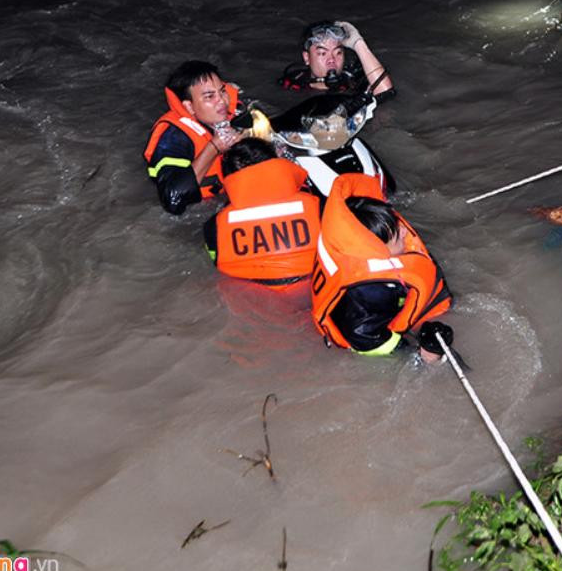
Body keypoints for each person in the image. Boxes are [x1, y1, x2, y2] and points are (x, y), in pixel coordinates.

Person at [310, 172, 453, 364]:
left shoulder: (342, 243)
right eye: (396, 236)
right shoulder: (374, 290)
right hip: (365, 337)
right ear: (377, 251)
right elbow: (364, 339)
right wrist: (414, 353)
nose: (404, 231)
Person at [203, 138, 322, 286]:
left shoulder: (213, 227)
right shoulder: (316, 205)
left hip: (251, 298)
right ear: (276, 164)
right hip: (313, 288)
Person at [143, 60, 246, 214]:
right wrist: (214, 148)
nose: (222, 101)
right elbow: (173, 200)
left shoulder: (233, 114)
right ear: (189, 107)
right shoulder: (173, 138)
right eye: (209, 96)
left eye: (222, 91)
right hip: (198, 212)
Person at [279, 20, 395, 99]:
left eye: (338, 52)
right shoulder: (291, 84)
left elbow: (386, 94)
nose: (331, 60)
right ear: (307, 58)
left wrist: (358, 44)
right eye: (322, 53)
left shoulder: (353, 82)